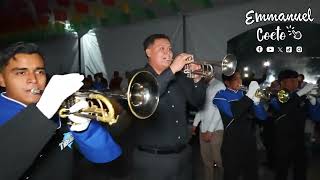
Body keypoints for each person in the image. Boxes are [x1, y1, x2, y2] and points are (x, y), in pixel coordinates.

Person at [0, 42, 122, 180]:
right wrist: (41, 113)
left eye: (39, 71)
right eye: (21, 72)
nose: (33, 80)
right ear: (2, 79)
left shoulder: (61, 107)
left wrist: (85, 130)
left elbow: (106, 156)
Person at [131, 34, 206, 180]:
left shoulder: (180, 78)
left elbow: (198, 101)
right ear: (148, 52)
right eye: (162, 48)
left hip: (184, 155)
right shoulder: (138, 76)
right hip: (154, 160)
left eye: (170, 49)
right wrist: (172, 70)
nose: (169, 52)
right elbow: (148, 94)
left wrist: (197, 79)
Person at [213, 70, 268, 180]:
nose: (239, 81)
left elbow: (262, 117)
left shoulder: (245, 94)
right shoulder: (221, 95)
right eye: (235, 79)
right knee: (231, 175)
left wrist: (256, 102)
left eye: (240, 78)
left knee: (252, 175)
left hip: (249, 144)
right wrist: (249, 96)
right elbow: (233, 113)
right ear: (227, 82)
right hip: (232, 145)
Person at [268, 69, 320, 180]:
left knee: (301, 171)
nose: (295, 83)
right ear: (282, 82)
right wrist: (301, 93)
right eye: (291, 80)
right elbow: (285, 107)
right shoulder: (278, 95)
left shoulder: (301, 96)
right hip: (282, 142)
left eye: (296, 80)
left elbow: (316, 117)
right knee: (282, 172)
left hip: (300, 140)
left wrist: (313, 101)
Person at [192, 76, 225, 180]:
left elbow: (220, 110)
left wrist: (210, 131)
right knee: (207, 162)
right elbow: (201, 108)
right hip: (203, 129)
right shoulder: (205, 87)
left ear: (211, 72)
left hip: (216, 130)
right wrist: (194, 125)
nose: (201, 74)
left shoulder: (219, 85)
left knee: (219, 161)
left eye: (204, 72)